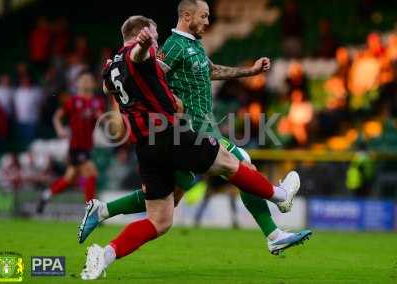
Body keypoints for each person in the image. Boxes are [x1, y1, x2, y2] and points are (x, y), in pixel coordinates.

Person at [79, 15, 310, 280]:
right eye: (154, 34)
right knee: (231, 162)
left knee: (160, 220)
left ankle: (104, 253)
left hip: (146, 146)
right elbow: (138, 56)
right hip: (170, 133)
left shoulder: (112, 65)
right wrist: (143, 45)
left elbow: (109, 87)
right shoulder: (139, 50)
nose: (157, 39)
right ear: (142, 32)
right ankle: (280, 197)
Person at [36, 71, 104, 213]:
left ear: (93, 84)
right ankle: (91, 212)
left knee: (70, 178)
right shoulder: (72, 101)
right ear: (77, 83)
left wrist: (101, 118)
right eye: (83, 79)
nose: (85, 82)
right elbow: (57, 117)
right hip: (76, 146)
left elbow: (101, 119)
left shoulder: (97, 102)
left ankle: (46, 194)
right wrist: (60, 129)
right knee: (91, 173)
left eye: (88, 79)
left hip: (87, 147)